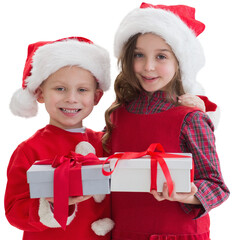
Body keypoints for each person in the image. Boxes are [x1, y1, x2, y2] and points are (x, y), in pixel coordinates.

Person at [103, 3, 230, 240]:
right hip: (124, 233)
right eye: (139, 55)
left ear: (180, 62)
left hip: (177, 234)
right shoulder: (116, 115)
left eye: (161, 56)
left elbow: (216, 187)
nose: (148, 66)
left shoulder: (191, 118)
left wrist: (187, 194)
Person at [5, 37, 114, 240]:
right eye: (60, 88)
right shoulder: (30, 150)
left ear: (96, 97)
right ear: (40, 93)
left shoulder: (106, 143)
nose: (71, 98)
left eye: (82, 90)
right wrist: (53, 204)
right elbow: (13, 211)